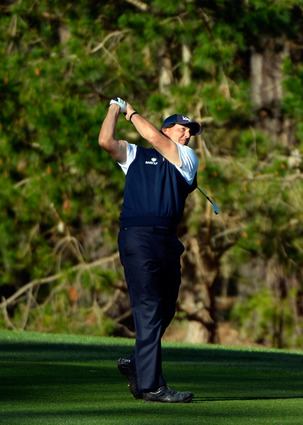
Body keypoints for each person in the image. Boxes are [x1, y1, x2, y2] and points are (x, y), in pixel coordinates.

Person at [98, 98, 201, 403]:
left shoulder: (186, 157)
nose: (187, 135)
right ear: (168, 127)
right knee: (149, 307)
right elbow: (106, 140)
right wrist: (114, 110)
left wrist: (132, 113)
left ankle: (135, 363)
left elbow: (155, 138)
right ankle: (152, 386)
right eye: (183, 129)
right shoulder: (134, 155)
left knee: (166, 307)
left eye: (190, 132)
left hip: (167, 241)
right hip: (137, 238)